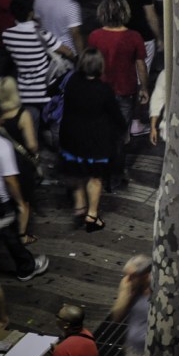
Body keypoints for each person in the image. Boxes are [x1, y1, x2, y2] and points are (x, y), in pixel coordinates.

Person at [0, 101, 48, 330]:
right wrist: (19, 202)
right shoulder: (0, 145)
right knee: (5, 236)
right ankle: (3, 315)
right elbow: (10, 179)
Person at [60, 48, 126, 231]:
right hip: (96, 142)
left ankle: (79, 206)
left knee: (79, 173)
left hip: (72, 137)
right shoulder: (103, 89)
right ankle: (92, 215)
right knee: (95, 178)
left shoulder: (72, 82)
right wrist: (122, 129)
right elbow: (115, 115)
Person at [88, 0, 149, 191]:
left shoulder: (95, 36)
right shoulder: (134, 37)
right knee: (120, 137)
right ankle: (116, 175)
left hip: (99, 93)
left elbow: (90, 64)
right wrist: (145, 88)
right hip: (125, 92)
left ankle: (101, 173)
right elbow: (141, 66)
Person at [1, 0, 73, 129]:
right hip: (45, 91)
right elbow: (65, 51)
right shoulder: (41, 34)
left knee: (31, 127)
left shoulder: (7, 35)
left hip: (24, 92)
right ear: (31, 13)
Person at [0, 76, 40, 243]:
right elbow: (32, 144)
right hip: (19, 163)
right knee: (23, 201)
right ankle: (22, 235)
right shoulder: (22, 115)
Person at [111, 254, 152, 356]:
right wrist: (125, 294)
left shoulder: (158, 292)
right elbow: (117, 316)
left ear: (145, 276)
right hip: (133, 351)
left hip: (153, 353)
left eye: (131, 276)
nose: (126, 280)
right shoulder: (130, 288)